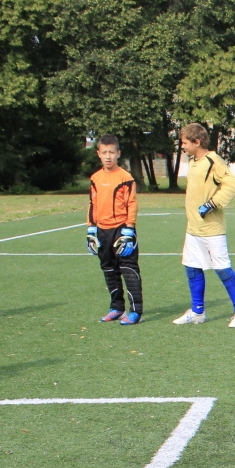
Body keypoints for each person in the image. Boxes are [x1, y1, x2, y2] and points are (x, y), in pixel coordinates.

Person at [174, 123, 235, 327]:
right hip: (193, 229)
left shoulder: (212, 161)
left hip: (212, 229)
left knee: (223, 270)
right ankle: (198, 312)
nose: (183, 146)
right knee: (192, 268)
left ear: (197, 142)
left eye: (185, 143)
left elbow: (232, 184)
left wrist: (211, 204)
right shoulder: (193, 162)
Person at [87, 134, 143, 325]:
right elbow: (92, 204)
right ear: (99, 154)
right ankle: (117, 307)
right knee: (109, 269)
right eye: (104, 153)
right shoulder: (95, 178)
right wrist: (91, 230)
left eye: (112, 152)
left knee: (128, 269)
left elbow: (132, 204)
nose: (108, 156)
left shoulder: (125, 178)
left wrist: (129, 230)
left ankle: (135, 311)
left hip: (122, 231)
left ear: (118, 153)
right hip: (102, 231)